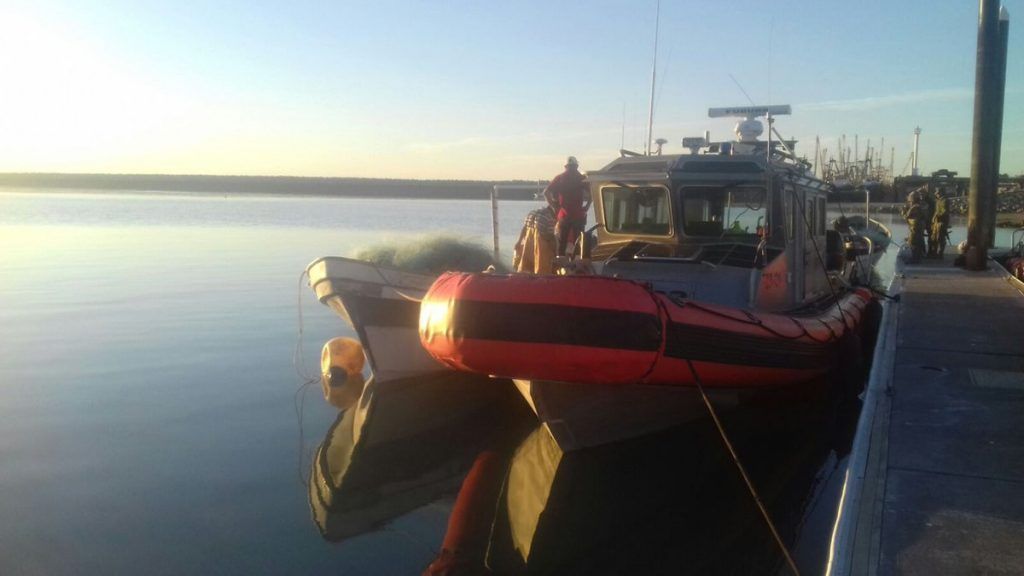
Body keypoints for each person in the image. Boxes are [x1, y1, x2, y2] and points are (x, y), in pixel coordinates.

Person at [543, 156, 591, 256]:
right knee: (579, 242)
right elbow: (593, 193)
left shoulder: (560, 178)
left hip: (564, 215)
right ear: (576, 166)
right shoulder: (581, 178)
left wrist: (554, 206)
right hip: (578, 215)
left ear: (565, 166)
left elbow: (546, 192)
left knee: (562, 243)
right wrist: (587, 206)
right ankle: (578, 260)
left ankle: (561, 261)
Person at [901, 189, 926, 263]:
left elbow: (906, 216)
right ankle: (918, 257)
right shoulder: (920, 206)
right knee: (918, 242)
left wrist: (903, 211)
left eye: (910, 201)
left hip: (915, 228)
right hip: (918, 228)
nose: (909, 202)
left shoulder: (915, 207)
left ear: (913, 199)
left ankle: (915, 259)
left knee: (913, 243)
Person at [930, 188, 950, 259]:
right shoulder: (938, 201)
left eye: (938, 193)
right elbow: (937, 211)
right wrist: (934, 217)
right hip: (936, 222)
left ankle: (940, 254)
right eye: (936, 193)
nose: (936, 194)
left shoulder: (945, 200)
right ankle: (934, 253)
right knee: (934, 238)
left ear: (941, 193)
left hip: (942, 222)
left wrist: (937, 216)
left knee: (940, 238)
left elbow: (945, 212)